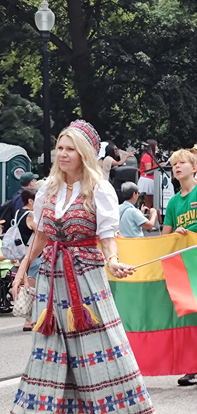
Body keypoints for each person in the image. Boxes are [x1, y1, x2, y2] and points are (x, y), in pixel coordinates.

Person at [10, 120, 153, 413]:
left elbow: (107, 236)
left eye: (70, 149)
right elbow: (43, 235)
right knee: (48, 348)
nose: (62, 154)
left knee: (99, 346)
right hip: (52, 278)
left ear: (84, 153)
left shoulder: (99, 188)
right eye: (60, 148)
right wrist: (23, 269)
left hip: (86, 278)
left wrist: (112, 261)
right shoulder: (47, 189)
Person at [162, 149, 197, 387]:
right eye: (174, 164)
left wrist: (189, 231)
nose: (177, 167)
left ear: (194, 167)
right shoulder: (174, 201)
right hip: (181, 263)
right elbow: (165, 236)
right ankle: (191, 366)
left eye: (182, 162)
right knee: (185, 314)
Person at [15, 188, 41, 332]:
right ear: (30, 201)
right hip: (34, 255)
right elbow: (40, 234)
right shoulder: (30, 215)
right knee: (34, 288)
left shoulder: (18, 213)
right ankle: (30, 319)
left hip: (22, 253)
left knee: (28, 287)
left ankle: (28, 319)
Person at [138, 139, 158, 208]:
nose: (157, 148)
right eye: (156, 146)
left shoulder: (151, 156)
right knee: (148, 203)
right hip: (147, 180)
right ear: (151, 147)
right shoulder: (147, 156)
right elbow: (148, 170)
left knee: (151, 203)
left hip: (150, 180)